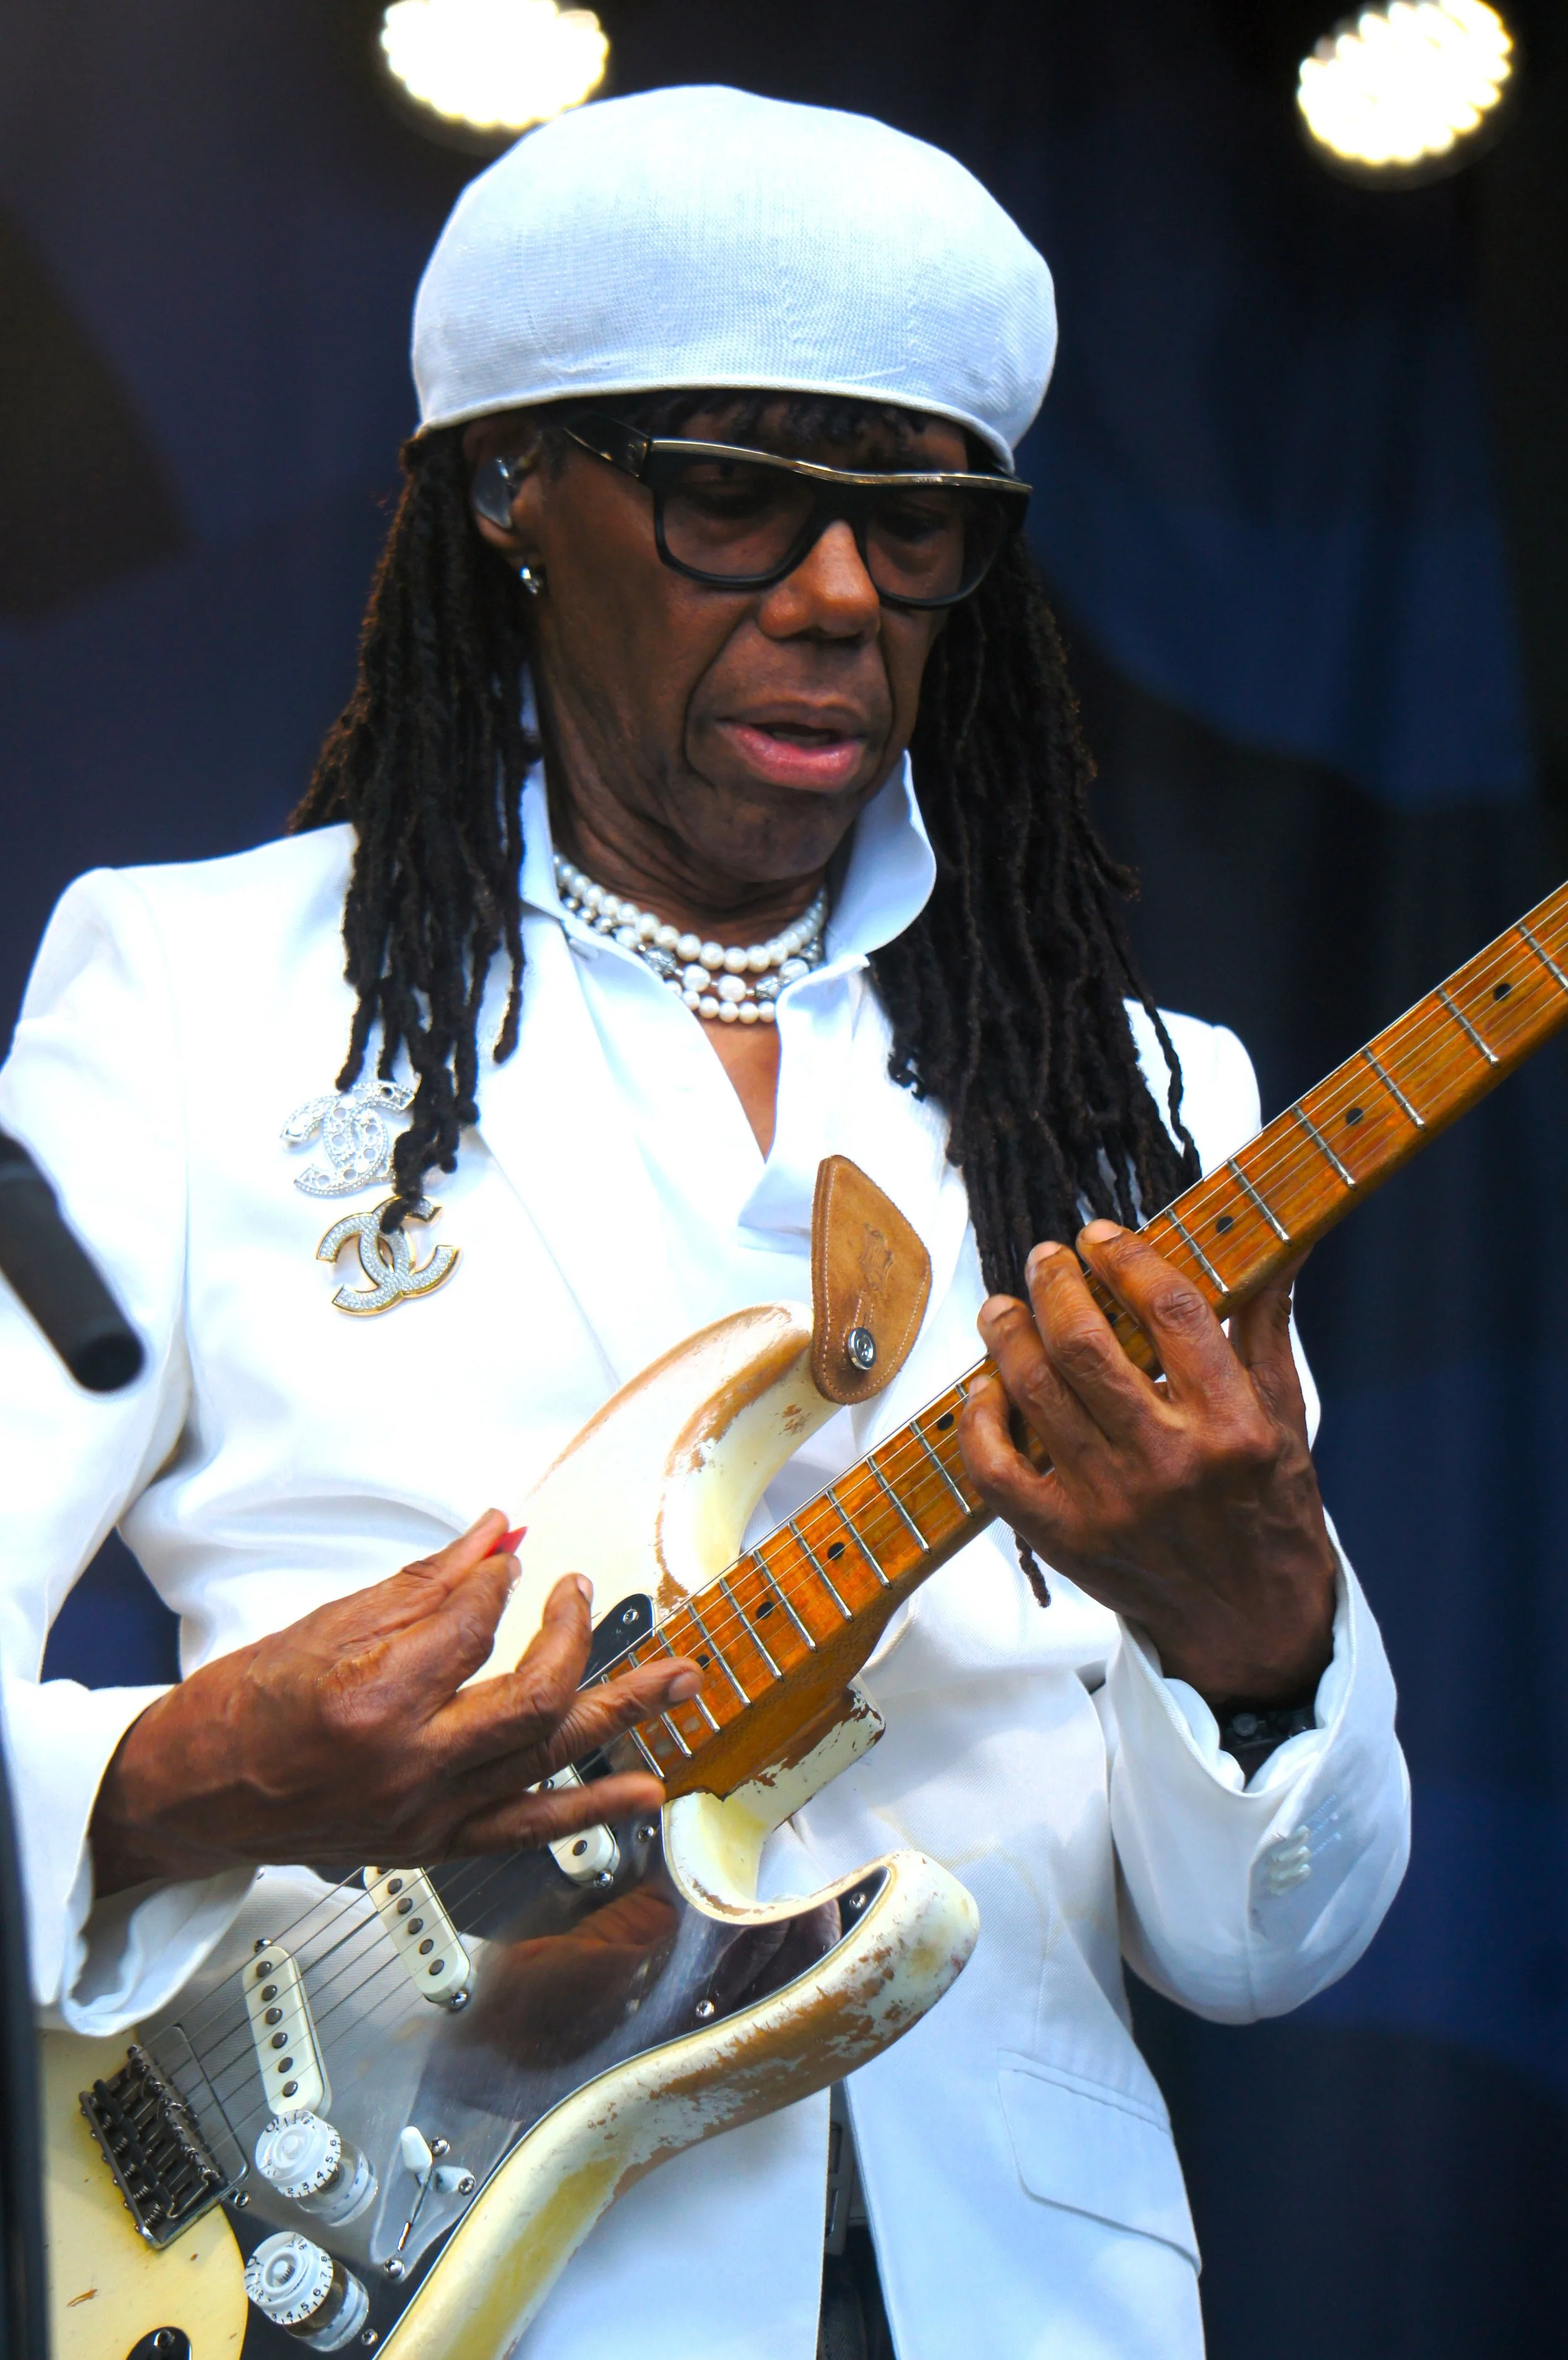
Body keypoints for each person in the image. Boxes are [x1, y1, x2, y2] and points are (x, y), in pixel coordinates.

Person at [0, 85, 1408, 2360]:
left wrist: (1262, 1640)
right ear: (506, 499)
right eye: (736, 496)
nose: (840, 592)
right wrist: (169, 1778)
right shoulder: (186, 999)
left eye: (913, 522)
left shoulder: (1138, 1103)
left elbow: (1259, 1945)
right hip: (358, 2253)